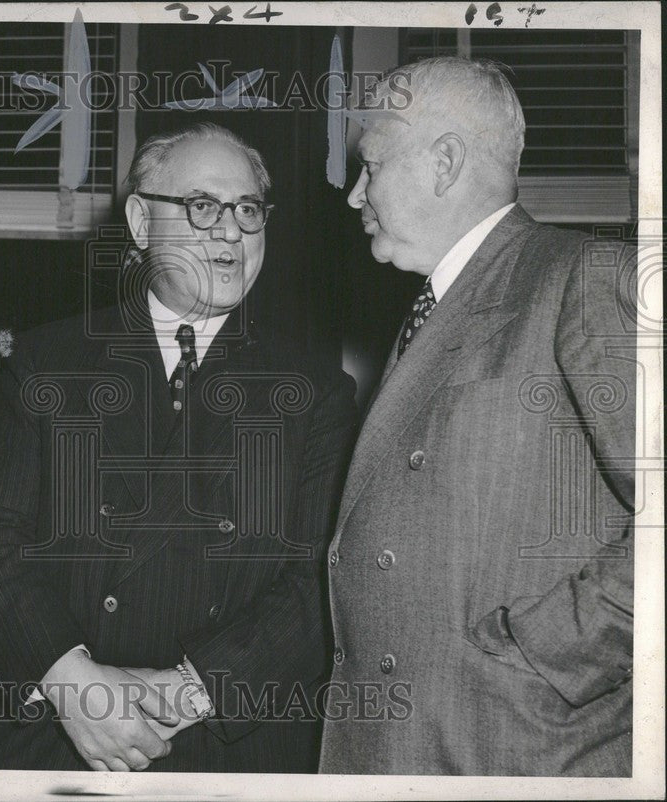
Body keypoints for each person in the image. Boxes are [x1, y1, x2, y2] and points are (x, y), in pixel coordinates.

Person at [0, 123, 357, 772]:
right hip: (61, 740)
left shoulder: (315, 388)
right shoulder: (46, 361)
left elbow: (322, 577)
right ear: (142, 223)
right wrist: (71, 682)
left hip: (229, 744)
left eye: (249, 210)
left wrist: (193, 688)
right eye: (203, 207)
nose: (231, 232)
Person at [319, 57, 635, 775]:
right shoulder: (436, 302)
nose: (354, 195)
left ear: (445, 163)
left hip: (513, 746)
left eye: (370, 166)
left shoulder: (579, 276)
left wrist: (547, 651)